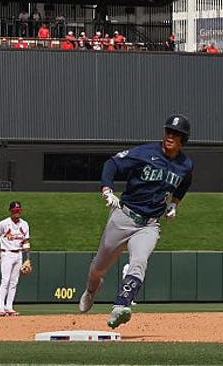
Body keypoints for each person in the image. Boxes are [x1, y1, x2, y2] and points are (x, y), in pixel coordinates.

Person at [79, 114, 194, 329]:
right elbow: (112, 163)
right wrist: (107, 188)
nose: (170, 136)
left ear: (183, 139)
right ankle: (92, 289)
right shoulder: (145, 152)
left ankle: (121, 306)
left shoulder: (185, 164)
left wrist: (174, 204)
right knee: (98, 268)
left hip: (149, 224)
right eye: (168, 131)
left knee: (139, 261)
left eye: (176, 133)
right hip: (124, 216)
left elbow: (184, 184)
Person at [0, 200, 30, 317]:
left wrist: (28, 259)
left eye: (18, 210)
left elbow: (26, 242)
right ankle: (1, 308)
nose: (17, 213)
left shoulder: (24, 224)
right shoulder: (3, 223)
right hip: (6, 254)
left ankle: (9, 307)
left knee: (14, 282)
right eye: (14, 211)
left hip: (18, 254)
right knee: (5, 280)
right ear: (10, 211)